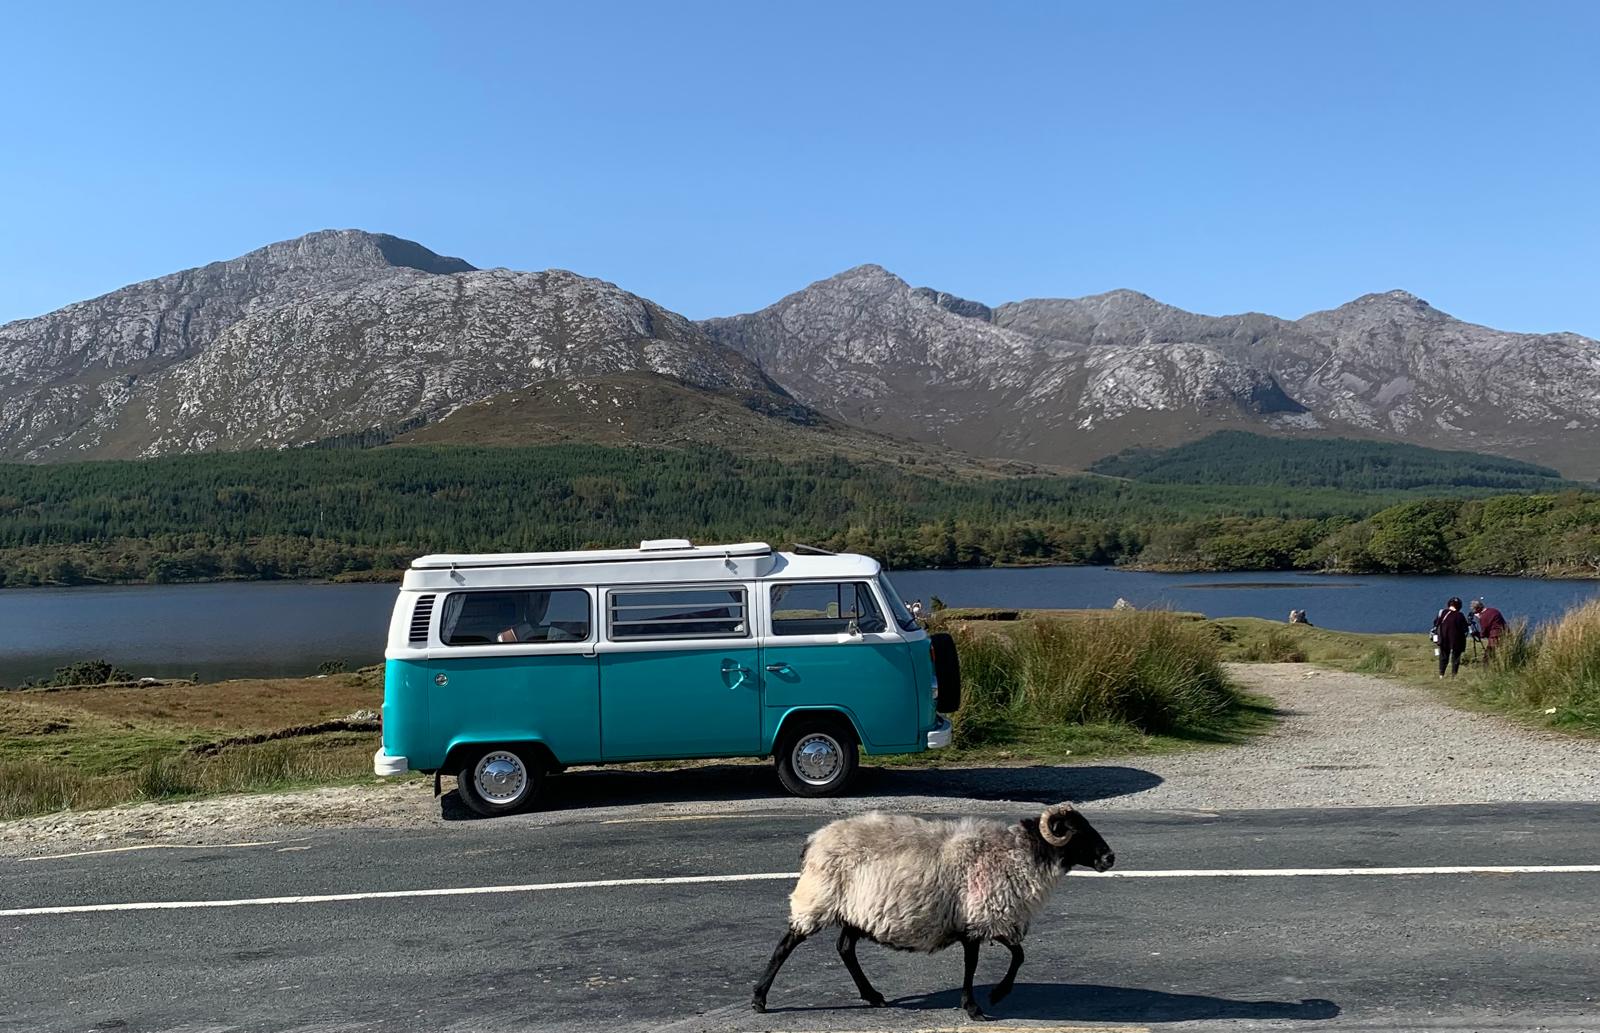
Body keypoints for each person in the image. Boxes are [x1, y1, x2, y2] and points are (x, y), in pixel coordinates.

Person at [1433, 597, 1470, 678]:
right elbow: (1465, 629)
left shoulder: (1442, 612)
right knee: (1455, 658)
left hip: (1443, 639)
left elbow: (1436, 623)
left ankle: (1441, 675)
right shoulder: (1460, 615)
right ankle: (1454, 675)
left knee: (1443, 657)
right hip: (1456, 641)